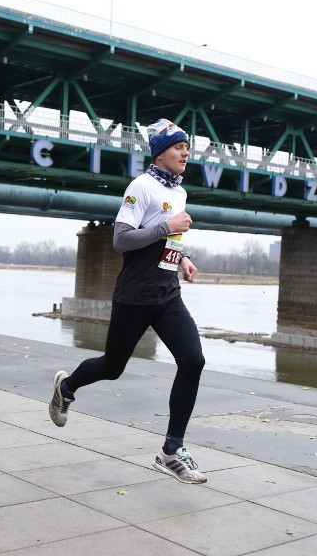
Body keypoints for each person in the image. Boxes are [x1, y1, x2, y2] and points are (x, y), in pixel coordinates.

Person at [48, 118, 207, 484]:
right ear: (160, 152)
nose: (186, 152)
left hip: (167, 294)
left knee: (193, 360)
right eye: (179, 146)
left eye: (187, 147)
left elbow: (164, 238)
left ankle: (171, 451)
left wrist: (180, 257)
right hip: (134, 296)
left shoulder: (178, 192)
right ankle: (66, 388)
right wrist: (167, 228)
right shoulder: (142, 187)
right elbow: (122, 240)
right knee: (113, 366)